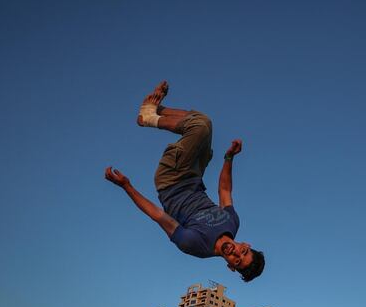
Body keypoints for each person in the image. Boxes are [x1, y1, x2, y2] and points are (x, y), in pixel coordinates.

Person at [105, 81, 265, 282]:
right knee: (204, 121)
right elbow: (224, 190)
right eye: (243, 252)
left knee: (201, 127)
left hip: (171, 180)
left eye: (237, 261)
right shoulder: (233, 222)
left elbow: (158, 216)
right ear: (247, 245)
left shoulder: (196, 245)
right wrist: (229, 158)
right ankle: (154, 111)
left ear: (231, 267)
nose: (236, 253)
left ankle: (149, 116)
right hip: (194, 176)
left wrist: (127, 187)